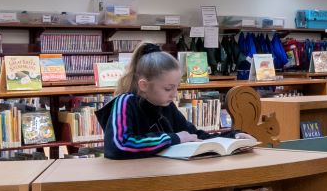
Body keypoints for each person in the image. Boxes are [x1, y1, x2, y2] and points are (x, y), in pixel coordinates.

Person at [100, 42, 235, 158]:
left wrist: (232, 137)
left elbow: (193, 135)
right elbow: (118, 145)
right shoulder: (125, 102)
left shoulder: (166, 106)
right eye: (168, 88)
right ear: (144, 85)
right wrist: (174, 138)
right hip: (132, 179)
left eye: (177, 88)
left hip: (162, 175)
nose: (174, 95)